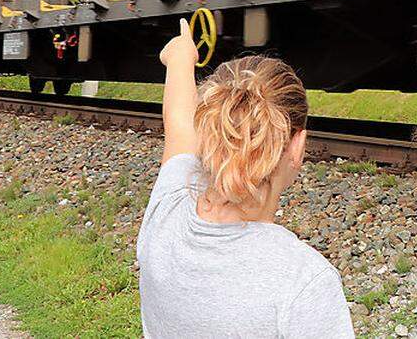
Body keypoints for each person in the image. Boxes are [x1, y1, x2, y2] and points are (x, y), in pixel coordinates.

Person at [137, 19, 354, 338]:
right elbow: (182, 125)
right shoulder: (304, 283)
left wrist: (180, 57)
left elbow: (180, 124)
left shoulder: (165, 214)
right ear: (298, 146)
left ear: (208, 133)